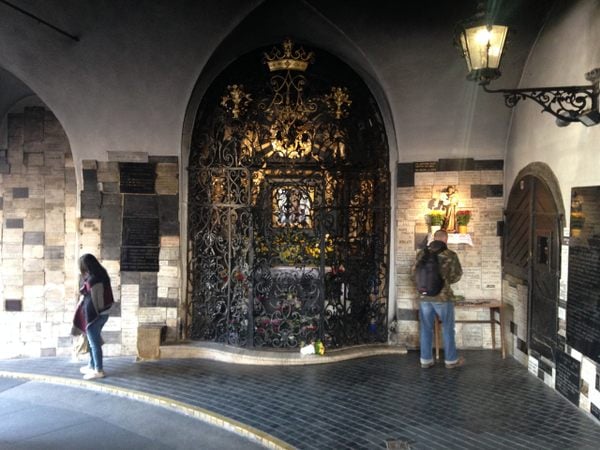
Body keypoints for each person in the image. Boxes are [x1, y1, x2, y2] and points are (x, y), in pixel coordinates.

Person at [412, 229, 464, 369]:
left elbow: (414, 275)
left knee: (426, 328)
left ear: (433, 238)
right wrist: (445, 281)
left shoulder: (421, 253)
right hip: (443, 298)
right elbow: (457, 275)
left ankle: (426, 360)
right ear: (446, 240)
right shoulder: (450, 255)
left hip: (424, 297)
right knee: (447, 328)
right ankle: (451, 361)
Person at [72, 254, 114, 380]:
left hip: (96, 316)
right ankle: (92, 365)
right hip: (103, 314)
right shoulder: (101, 274)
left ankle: (98, 370)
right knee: (91, 341)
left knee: (94, 343)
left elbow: (98, 302)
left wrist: (90, 315)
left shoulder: (94, 280)